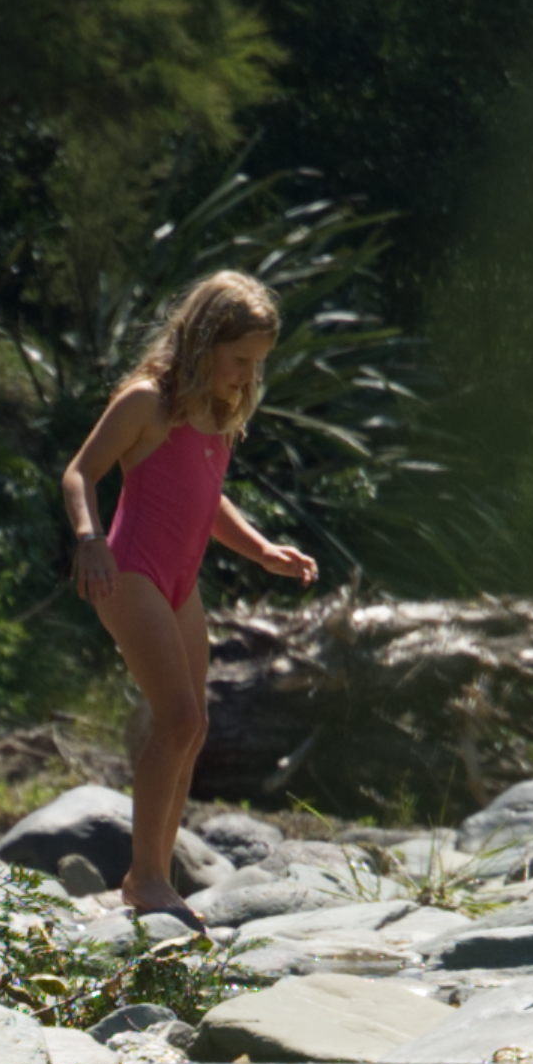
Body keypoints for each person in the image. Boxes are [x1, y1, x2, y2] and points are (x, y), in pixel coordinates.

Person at [56, 269, 320, 919]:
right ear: (204, 342)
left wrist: (261, 549)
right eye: (239, 360)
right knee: (175, 719)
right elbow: (80, 473)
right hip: (130, 571)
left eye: (257, 363)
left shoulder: (220, 410)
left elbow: (207, 497)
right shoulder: (147, 400)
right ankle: (145, 877)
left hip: (180, 582)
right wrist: (89, 539)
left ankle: (154, 875)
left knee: (194, 726)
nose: (247, 376)